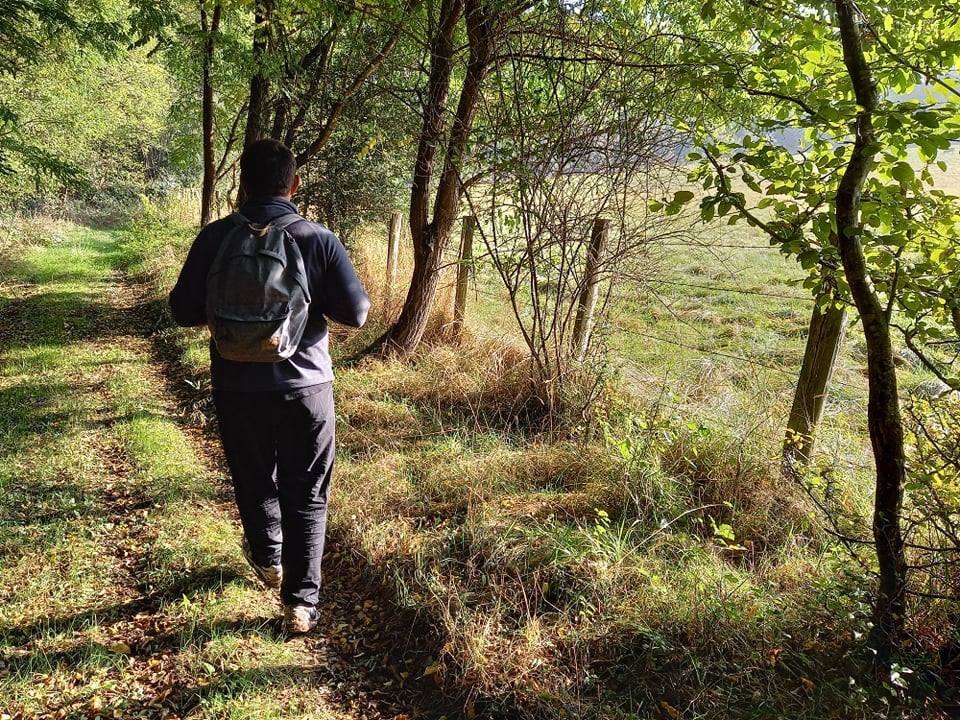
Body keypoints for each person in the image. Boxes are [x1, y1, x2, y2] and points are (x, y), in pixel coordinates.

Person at [169, 139, 370, 634]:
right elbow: (358, 314)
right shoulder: (316, 238)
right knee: (308, 492)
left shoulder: (214, 238)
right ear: (293, 184)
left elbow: (181, 311)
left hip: (236, 385)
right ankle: (301, 602)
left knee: (254, 478)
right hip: (306, 387)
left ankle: (268, 558)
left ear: (241, 183)